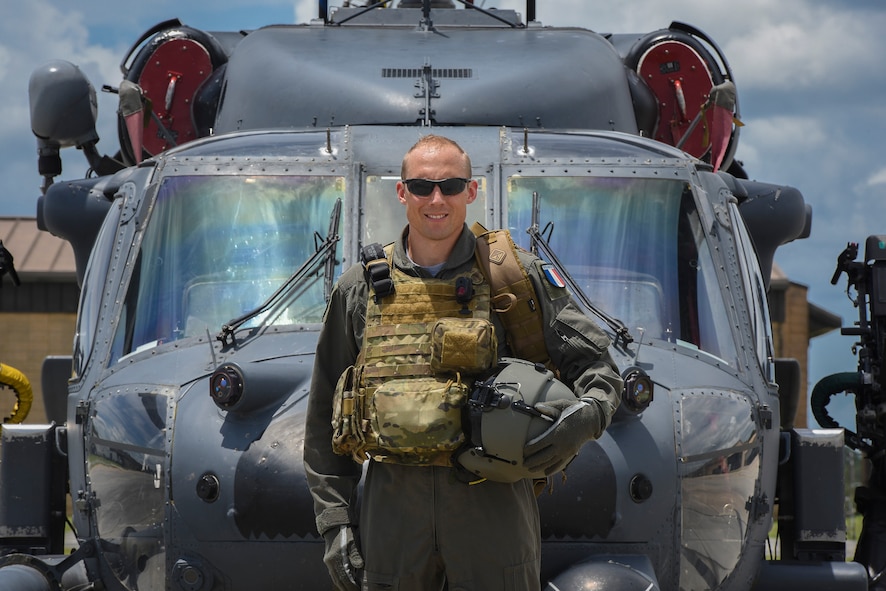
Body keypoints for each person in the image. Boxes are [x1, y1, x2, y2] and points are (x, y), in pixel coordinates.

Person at [303, 134, 623, 591]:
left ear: (472, 192)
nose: (437, 199)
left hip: (492, 506)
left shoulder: (514, 277)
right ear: (402, 192)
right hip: (392, 510)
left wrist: (586, 418)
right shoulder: (359, 290)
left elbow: (598, 368)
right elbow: (322, 422)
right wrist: (335, 524)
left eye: (452, 186)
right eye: (422, 186)